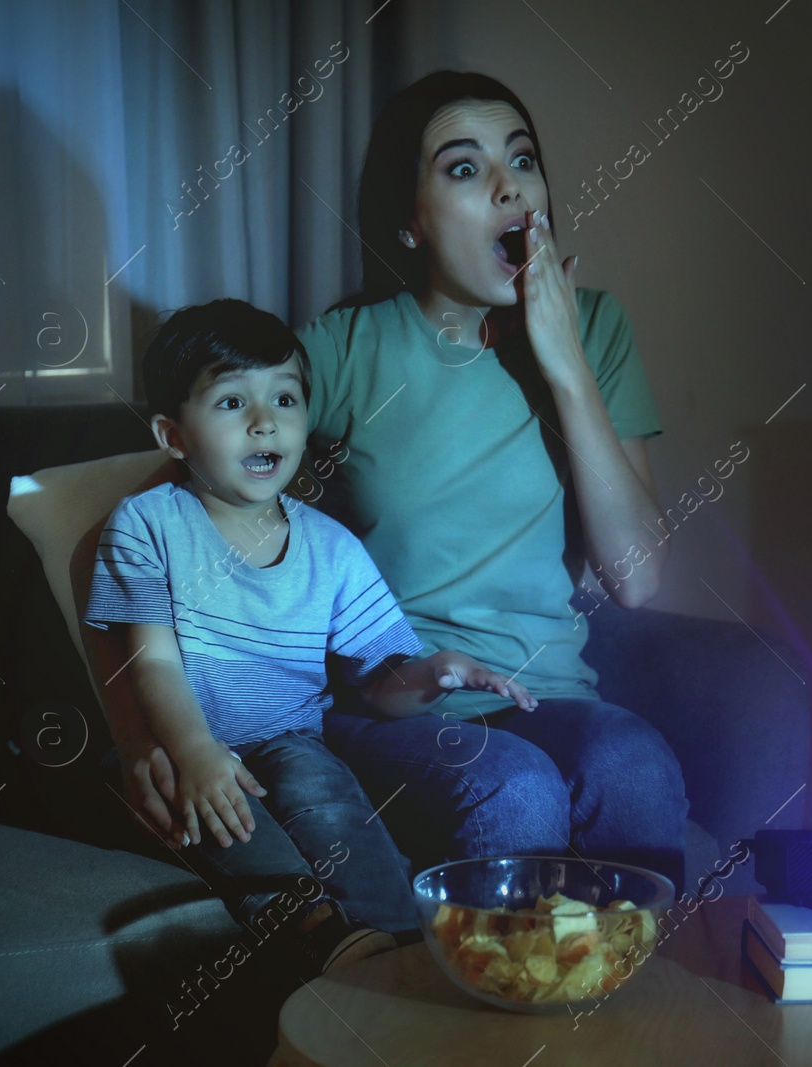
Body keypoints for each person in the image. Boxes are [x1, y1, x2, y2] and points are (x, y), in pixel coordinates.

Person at [294, 71, 691, 892]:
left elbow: (639, 578)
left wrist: (566, 365)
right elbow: (213, 436)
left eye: (523, 159)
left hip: (548, 696)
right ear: (409, 220)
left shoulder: (597, 327)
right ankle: (487, 1020)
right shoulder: (347, 348)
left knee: (637, 763)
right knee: (514, 787)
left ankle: (643, 1023)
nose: (511, 185)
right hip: (395, 704)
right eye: (464, 168)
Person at [82, 298, 536, 977]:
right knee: (226, 814)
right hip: (178, 740)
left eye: (286, 398)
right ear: (174, 436)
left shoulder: (332, 547)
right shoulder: (148, 523)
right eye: (232, 402)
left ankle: (399, 941)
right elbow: (149, 661)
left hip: (288, 741)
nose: (266, 420)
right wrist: (198, 750)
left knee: (324, 792)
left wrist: (435, 670)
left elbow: (381, 684)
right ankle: (319, 933)